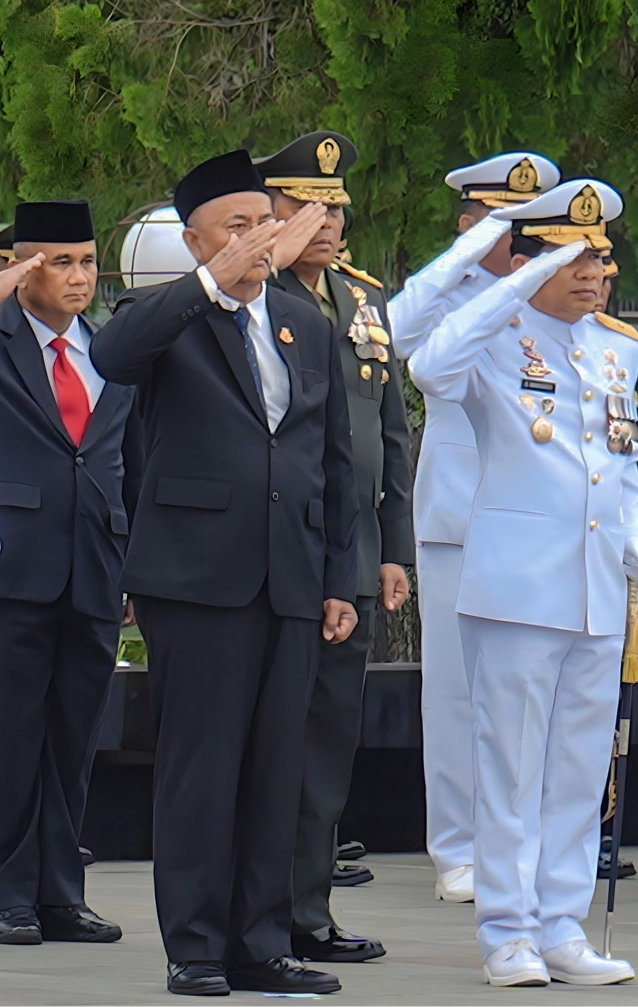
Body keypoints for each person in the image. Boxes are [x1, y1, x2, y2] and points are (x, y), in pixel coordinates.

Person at [90, 149, 358, 998]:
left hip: (289, 575)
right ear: (196, 240)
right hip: (198, 576)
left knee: (278, 766)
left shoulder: (303, 322)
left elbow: (331, 458)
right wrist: (208, 286)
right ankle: (197, 946)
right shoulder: (167, 316)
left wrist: (339, 578)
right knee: (202, 766)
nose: (255, 241)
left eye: (264, 224)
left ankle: (263, 941)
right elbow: (114, 356)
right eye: (235, 228)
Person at [410, 178, 638, 987]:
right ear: (532, 262)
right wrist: (504, 270)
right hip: (514, 588)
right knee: (510, 769)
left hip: (594, 591)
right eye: (575, 260)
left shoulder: (617, 347)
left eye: (601, 261)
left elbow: (625, 465)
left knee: (579, 771)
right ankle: (507, 931)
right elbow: (427, 361)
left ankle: (562, 925)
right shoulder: (491, 337)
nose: (594, 276)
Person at [0, 199, 136, 947]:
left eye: (88, 261)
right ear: (21, 265)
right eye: (59, 262)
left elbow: (125, 456)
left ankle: (62, 891)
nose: (78, 277)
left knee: (72, 740)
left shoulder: (111, 347)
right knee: (7, 737)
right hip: (13, 565)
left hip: (94, 562)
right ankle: (7, 893)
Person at [255, 132, 414, 963]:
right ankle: (262, 915)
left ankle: (309, 914)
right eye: (307, 207)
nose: (326, 222)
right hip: (276, 553)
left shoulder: (362, 302)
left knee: (327, 746)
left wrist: (394, 551)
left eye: (336, 207)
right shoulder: (253, 295)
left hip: (350, 558)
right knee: (271, 744)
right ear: (272, 213)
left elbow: (389, 440)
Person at [388, 151, 560, 903]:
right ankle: (458, 847)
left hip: (544, 521)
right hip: (461, 511)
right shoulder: (445, 294)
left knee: (541, 691)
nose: (517, 239)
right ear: (469, 223)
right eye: (501, 223)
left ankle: (534, 841)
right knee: (458, 693)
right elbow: (395, 338)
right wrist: (460, 262)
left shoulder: (559, 296)